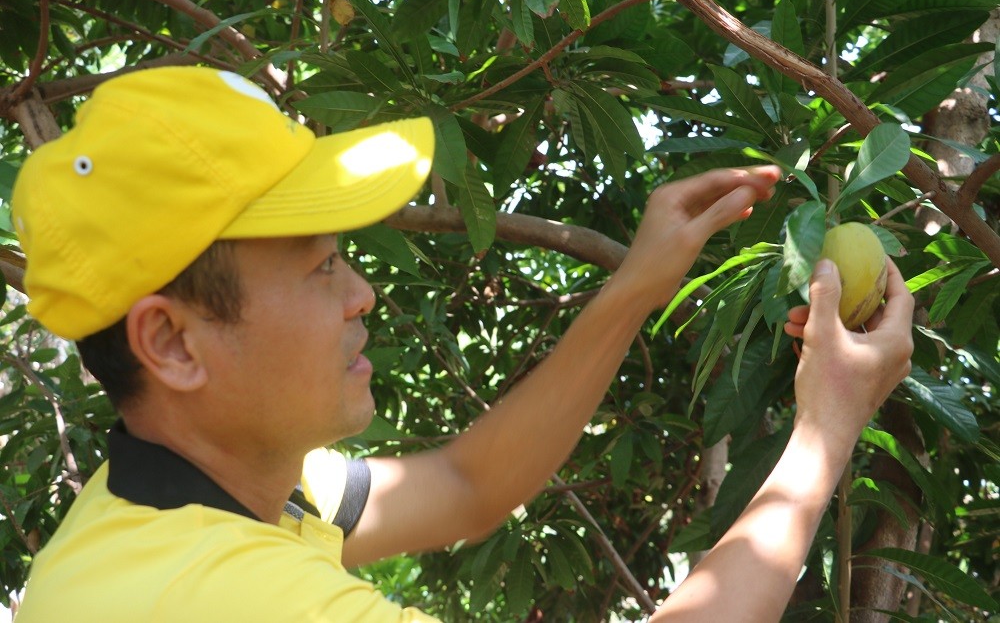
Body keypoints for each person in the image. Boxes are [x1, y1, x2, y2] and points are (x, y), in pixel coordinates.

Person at [10, 66, 913, 622]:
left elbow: (465, 485)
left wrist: (638, 286)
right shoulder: (215, 601)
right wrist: (827, 422)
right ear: (170, 343)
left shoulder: (200, 498)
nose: (362, 292)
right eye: (320, 267)